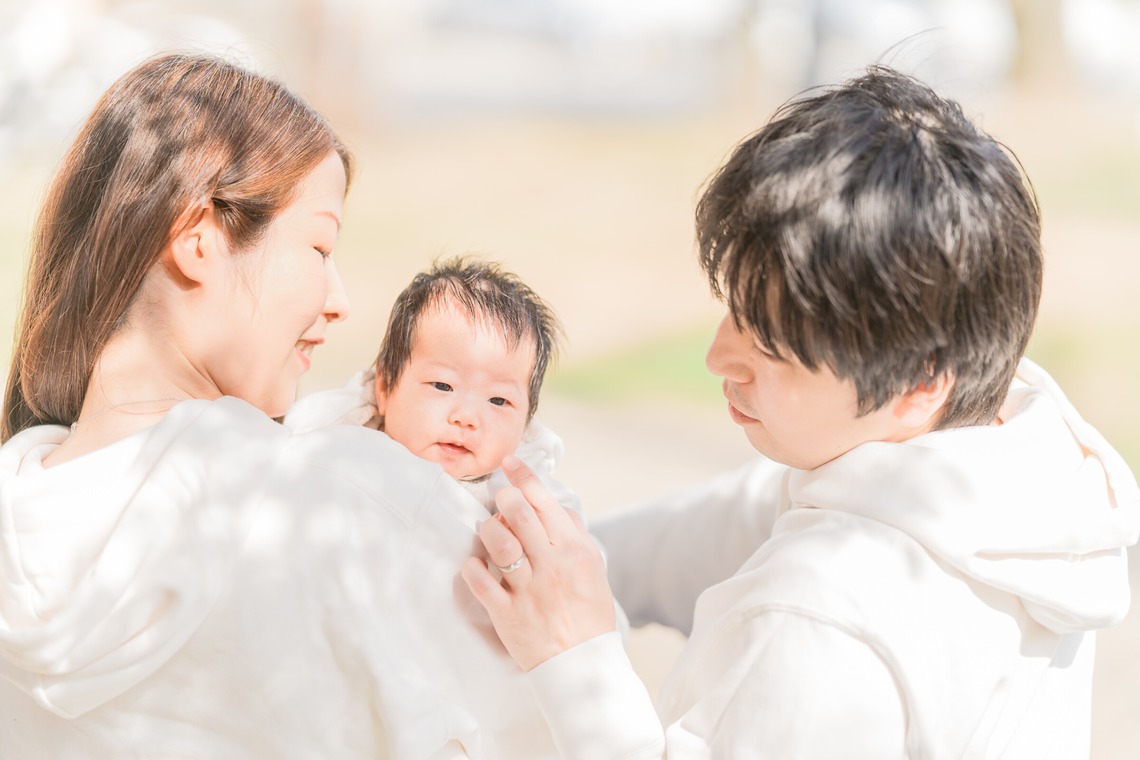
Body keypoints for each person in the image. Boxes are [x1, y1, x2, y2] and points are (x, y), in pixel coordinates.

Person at [461, 66, 1140, 758]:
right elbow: (743, 515)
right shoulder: (1026, 471)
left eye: (772, 347)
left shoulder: (815, 615)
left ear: (918, 381)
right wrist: (570, 555)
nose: (719, 357)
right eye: (736, 308)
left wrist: (573, 657)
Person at [0, 53, 575, 759]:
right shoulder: (337, 503)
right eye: (318, 245)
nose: (338, 300)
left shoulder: (18, 518)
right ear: (198, 240)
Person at [285, 257, 577, 512]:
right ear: (385, 388)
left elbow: (574, 546)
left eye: (498, 401)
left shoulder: (519, 489)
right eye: (442, 386)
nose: (466, 417)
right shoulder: (349, 432)